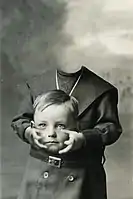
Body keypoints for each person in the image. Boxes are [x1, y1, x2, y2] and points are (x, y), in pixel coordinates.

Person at [11, 65, 122, 199]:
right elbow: (20, 119)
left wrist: (84, 138)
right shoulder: (35, 84)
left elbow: (111, 128)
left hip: (82, 175)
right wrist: (28, 131)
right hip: (39, 171)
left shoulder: (102, 90)